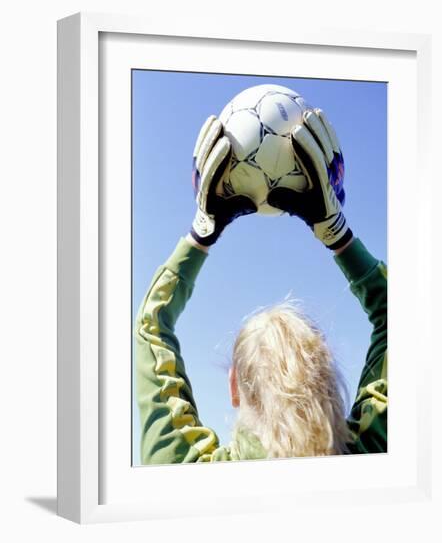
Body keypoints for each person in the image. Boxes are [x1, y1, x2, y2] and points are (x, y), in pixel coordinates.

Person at [135, 107, 387, 464]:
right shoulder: (375, 453)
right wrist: (336, 233)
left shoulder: (183, 470)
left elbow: (150, 328)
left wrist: (201, 232)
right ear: (328, 380)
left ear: (234, 386)